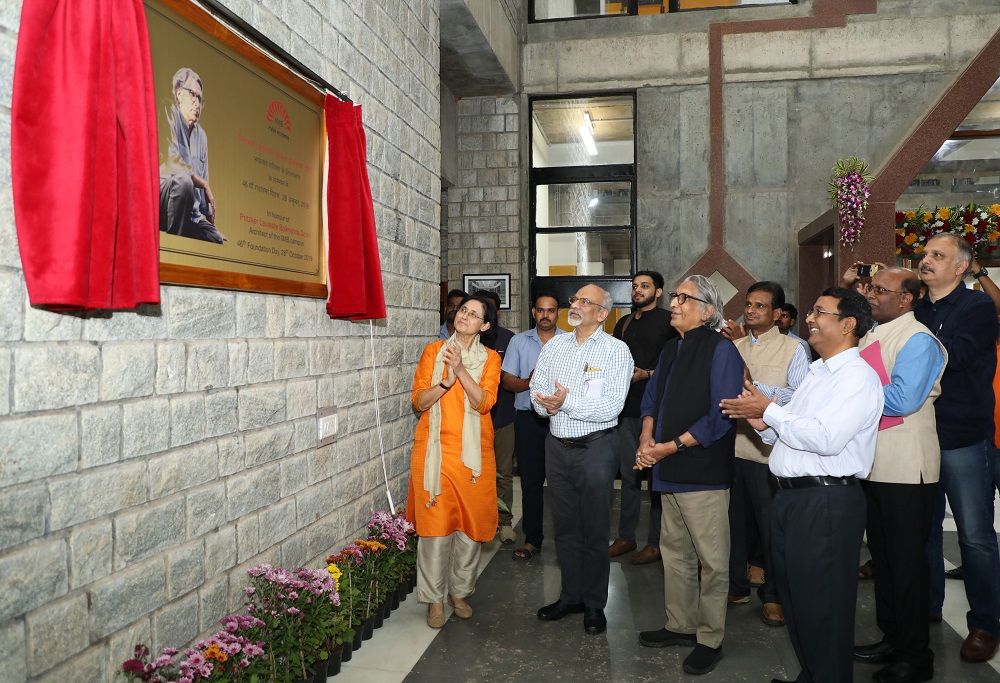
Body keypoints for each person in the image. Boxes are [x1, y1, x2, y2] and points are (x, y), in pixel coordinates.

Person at [721, 287, 883, 683]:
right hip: (793, 498)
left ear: (848, 325)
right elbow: (791, 433)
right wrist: (764, 422)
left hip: (826, 500)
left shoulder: (857, 377)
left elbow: (827, 439)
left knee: (823, 607)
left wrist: (771, 410)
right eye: (811, 311)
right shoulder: (816, 372)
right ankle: (811, 674)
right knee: (798, 601)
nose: (809, 318)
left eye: (820, 312)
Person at [634, 275, 744, 676]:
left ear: (707, 310)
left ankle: (709, 638)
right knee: (675, 554)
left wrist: (669, 446)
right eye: (676, 296)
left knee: (712, 562)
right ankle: (679, 624)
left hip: (702, 471)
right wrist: (647, 438)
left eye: (683, 297)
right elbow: (652, 400)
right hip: (666, 468)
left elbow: (721, 416)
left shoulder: (722, 350)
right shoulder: (669, 349)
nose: (675, 303)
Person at [844, 267, 946, 683]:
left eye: (880, 290)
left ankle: (915, 656)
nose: (871, 295)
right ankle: (892, 637)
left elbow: (903, 399)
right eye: (870, 288)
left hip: (907, 466)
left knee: (907, 566)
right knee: (884, 562)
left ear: (906, 298)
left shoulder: (918, 339)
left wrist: (850, 393)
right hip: (876, 464)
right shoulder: (873, 333)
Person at [914, 233, 1000, 663]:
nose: (925, 260)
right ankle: (927, 607)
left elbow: (959, 355)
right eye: (925, 253)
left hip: (963, 436)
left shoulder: (978, 308)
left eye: (936, 255)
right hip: (917, 435)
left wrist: (906, 347)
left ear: (961, 266)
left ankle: (985, 624)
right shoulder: (914, 307)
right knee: (923, 530)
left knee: (977, 538)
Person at [531, 285, 633, 636]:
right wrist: (544, 402)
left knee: (594, 529)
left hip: (596, 448)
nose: (575, 305)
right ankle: (570, 596)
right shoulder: (555, 345)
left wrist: (564, 403)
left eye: (584, 302)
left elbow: (612, 407)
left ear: (602, 313)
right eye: (574, 299)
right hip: (557, 447)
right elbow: (536, 389)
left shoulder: (616, 351)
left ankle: (594, 603)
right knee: (565, 528)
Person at [405, 293, 501, 629]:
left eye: (475, 314)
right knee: (435, 530)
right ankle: (434, 599)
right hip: (434, 452)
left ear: (485, 325)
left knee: (470, 529)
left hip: (473, 457)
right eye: (463, 310)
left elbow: (484, 402)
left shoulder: (490, 359)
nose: (465, 316)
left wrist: (460, 368)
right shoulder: (433, 352)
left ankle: (459, 593)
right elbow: (419, 401)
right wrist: (445, 381)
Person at [726, 282, 808, 630]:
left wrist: (755, 390)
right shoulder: (732, 347)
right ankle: (735, 586)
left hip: (768, 455)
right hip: (732, 450)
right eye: (748, 304)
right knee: (733, 525)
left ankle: (773, 594)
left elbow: (800, 397)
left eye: (761, 305)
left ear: (777, 314)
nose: (751, 310)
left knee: (771, 529)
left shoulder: (795, 349)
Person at [609, 271, 678, 565]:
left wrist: (646, 374)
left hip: (659, 411)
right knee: (629, 477)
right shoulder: (623, 322)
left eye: (645, 286)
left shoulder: (669, 322)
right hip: (626, 410)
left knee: (656, 479)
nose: (638, 291)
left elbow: (676, 364)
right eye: (635, 287)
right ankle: (626, 537)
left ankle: (655, 542)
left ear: (659, 292)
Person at [501, 292, 565, 561]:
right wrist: (532, 383)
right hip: (528, 421)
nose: (546, 315)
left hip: (562, 421)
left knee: (564, 484)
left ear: (558, 313)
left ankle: (567, 541)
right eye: (541, 310)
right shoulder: (519, 341)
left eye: (551, 310)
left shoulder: (569, 342)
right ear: (533, 312)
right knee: (530, 482)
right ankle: (532, 539)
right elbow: (507, 381)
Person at [159, 67, 227, 244]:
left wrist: (209, 220)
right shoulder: (169, 111)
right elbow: (171, 160)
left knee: (217, 239)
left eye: (200, 99)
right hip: (164, 196)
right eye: (192, 95)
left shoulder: (202, 136)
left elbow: (205, 181)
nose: (197, 104)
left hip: (192, 213)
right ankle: (175, 245)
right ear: (180, 94)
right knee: (184, 182)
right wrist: (202, 183)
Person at [478, 290, 517, 545]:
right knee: (476, 473)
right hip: (473, 420)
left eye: (490, 308)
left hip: (502, 418)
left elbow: (511, 378)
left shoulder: (508, 339)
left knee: (503, 474)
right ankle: (480, 522)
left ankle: (504, 523)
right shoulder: (468, 339)